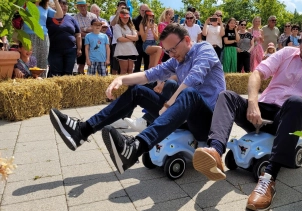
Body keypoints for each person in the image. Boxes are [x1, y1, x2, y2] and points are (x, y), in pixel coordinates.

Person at [192, 18, 302, 211]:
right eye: (301, 40)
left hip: (285, 119)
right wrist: (252, 103)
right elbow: (257, 74)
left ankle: (268, 179)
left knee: (296, 101)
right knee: (227, 96)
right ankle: (215, 151)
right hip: (258, 113)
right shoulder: (286, 54)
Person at [49, 23, 226, 176]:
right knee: (138, 91)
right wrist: (120, 79)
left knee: (189, 94)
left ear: (187, 41)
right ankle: (82, 131)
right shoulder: (177, 60)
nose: (171, 54)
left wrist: (169, 102)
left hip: (208, 122)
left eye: (173, 49)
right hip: (184, 115)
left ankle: (135, 148)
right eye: (167, 51)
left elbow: (194, 78)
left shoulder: (204, 49)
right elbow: (149, 74)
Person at [22, 0, 63, 78]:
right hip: (28, 36)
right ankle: (29, 82)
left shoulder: (46, 8)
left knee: (42, 62)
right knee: (30, 61)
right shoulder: (26, 4)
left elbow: (60, 15)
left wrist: (56, 1)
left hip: (44, 36)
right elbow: (16, 15)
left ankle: (41, 83)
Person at [46, 0, 81, 77]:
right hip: (55, 50)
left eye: (65, 5)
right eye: (61, 5)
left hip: (70, 50)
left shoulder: (72, 19)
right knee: (55, 73)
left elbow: (78, 34)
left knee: (68, 73)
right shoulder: (50, 18)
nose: (63, 7)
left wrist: (79, 48)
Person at [73, 0, 97, 74]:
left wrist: (84, 29)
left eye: (84, 6)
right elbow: (77, 32)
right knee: (81, 64)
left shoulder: (93, 16)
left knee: (93, 62)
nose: (83, 8)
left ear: (87, 6)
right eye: (80, 6)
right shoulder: (75, 18)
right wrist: (89, 30)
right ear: (77, 7)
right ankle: (81, 79)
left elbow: (96, 28)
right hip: (81, 42)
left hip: (93, 41)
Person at [113, 9, 139, 74]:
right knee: (124, 70)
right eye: (123, 17)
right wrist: (131, 39)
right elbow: (120, 39)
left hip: (131, 50)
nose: (125, 19)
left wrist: (126, 35)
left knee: (130, 69)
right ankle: (123, 84)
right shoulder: (117, 26)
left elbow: (136, 38)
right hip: (122, 50)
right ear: (120, 17)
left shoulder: (131, 26)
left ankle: (131, 84)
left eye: (127, 17)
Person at [109, 1, 128, 74]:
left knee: (123, 66)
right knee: (115, 65)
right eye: (121, 7)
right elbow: (112, 24)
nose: (122, 8)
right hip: (116, 43)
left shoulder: (128, 17)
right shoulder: (112, 17)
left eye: (124, 7)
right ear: (117, 7)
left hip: (125, 43)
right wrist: (118, 13)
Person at [132, 4, 151, 72]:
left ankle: (147, 82)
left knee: (147, 65)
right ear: (139, 11)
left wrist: (141, 32)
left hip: (149, 43)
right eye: (142, 10)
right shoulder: (135, 20)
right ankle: (136, 82)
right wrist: (144, 32)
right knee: (137, 65)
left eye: (146, 10)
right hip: (139, 44)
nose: (144, 12)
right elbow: (134, 32)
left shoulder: (151, 19)